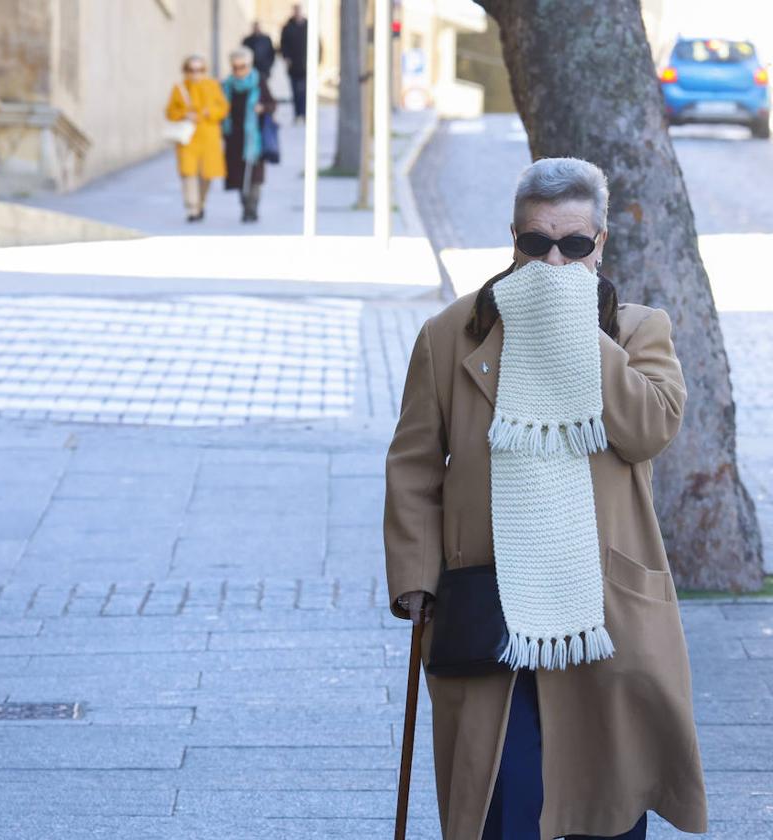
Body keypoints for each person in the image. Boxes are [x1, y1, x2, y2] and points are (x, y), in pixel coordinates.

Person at [384, 157, 708, 839]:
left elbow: (650, 429)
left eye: (572, 245)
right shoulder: (452, 334)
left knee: (606, 805)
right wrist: (416, 580)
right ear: (513, 240)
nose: (553, 261)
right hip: (489, 604)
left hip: (600, 605)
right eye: (536, 244)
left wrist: (580, 333)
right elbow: (415, 464)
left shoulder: (637, 330)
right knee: (503, 803)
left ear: (601, 244)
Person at [164, 54, 227, 222]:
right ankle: (192, 208)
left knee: (207, 174)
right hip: (188, 138)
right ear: (185, 71)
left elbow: (223, 108)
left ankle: (201, 204)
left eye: (199, 69)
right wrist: (185, 114)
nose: (195, 73)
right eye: (191, 70)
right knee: (188, 173)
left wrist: (210, 112)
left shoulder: (212, 85)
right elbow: (170, 112)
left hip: (209, 136)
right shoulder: (179, 88)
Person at [220, 47, 276, 223]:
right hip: (234, 138)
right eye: (235, 67)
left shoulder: (259, 82)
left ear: (249, 65)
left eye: (242, 66)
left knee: (254, 177)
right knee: (238, 176)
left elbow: (272, 104)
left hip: (255, 137)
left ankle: (253, 208)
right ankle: (244, 207)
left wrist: (262, 108)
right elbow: (221, 109)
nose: (239, 71)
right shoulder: (227, 85)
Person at [279, 4, 308, 121]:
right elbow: (283, 45)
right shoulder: (287, 28)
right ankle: (297, 114)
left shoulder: (308, 26)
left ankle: (305, 114)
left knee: (305, 91)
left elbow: (318, 44)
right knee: (295, 91)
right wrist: (286, 58)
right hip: (293, 66)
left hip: (306, 66)